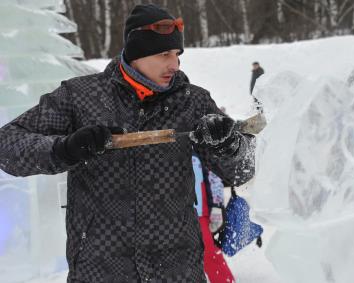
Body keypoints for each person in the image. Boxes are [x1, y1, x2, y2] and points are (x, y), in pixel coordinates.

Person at [0, 4, 255, 283]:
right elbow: (8, 145)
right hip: (100, 269)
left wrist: (228, 146)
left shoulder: (193, 101)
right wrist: (66, 148)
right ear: (137, 54)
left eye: (177, 55)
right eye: (164, 54)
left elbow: (242, 172)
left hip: (177, 270)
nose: (175, 64)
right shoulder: (80, 97)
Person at [192, 154, 235, 283]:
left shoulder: (198, 149)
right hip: (172, 213)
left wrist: (217, 208)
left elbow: (214, 178)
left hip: (199, 213)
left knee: (207, 251)